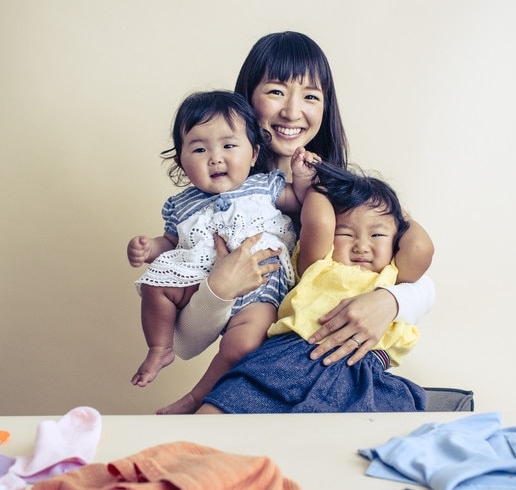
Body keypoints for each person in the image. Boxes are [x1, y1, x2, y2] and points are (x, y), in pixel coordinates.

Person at [157, 31, 435, 414]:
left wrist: (389, 301)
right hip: (263, 370)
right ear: (246, 99)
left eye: (310, 96)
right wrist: (219, 289)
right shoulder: (211, 201)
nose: (291, 111)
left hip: (341, 364)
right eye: (275, 91)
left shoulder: (349, 192)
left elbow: (418, 276)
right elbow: (186, 343)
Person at [127, 90, 318, 394]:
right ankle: (159, 347)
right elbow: (170, 241)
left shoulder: (264, 186)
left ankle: (199, 395)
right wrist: (149, 248)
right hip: (202, 278)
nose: (215, 158)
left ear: (254, 153)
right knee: (155, 285)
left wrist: (303, 178)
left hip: (261, 282)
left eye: (229, 146)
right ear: (181, 161)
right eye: (200, 150)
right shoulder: (181, 204)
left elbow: (302, 201)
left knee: (242, 342)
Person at [197, 163, 427, 414]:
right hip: (289, 360)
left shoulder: (393, 277)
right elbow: (318, 222)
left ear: (396, 242)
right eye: (346, 234)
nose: (361, 246)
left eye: (377, 235)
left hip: (362, 378)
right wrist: (317, 186)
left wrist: (403, 217)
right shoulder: (320, 265)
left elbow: (420, 248)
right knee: (219, 412)